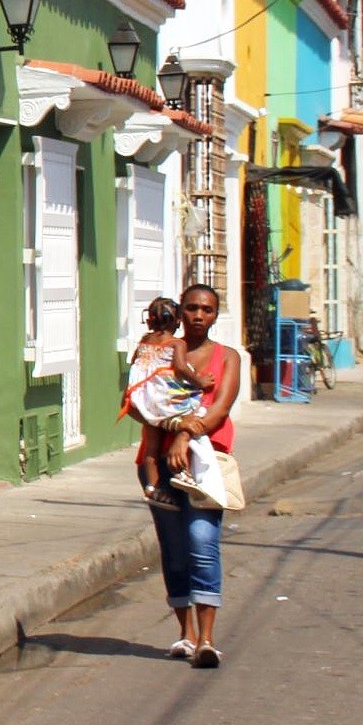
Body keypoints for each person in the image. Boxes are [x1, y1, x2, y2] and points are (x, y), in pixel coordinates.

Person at [134, 283, 241, 669]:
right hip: (160, 463)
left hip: (205, 461)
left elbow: (219, 410)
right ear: (181, 313)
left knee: (201, 542)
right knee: (174, 550)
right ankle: (186, 635)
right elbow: (138, 396)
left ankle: (208, 640)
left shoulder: (228, 358)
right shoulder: (162, 349)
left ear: (215, 315)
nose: (199, 316)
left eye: (207, 310)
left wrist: (182, 434)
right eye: (192, 308)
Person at [122, 296, 218, 509]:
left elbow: (136, 363)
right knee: (194, 409)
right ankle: (182, 473)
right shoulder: (177, 343)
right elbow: (182, 368)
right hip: (165, 397)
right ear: (177, 322)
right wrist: (200, 381)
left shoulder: (144, 340)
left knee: (151, 447)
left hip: (144, 397)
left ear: (149, 321)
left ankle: (152, 488)